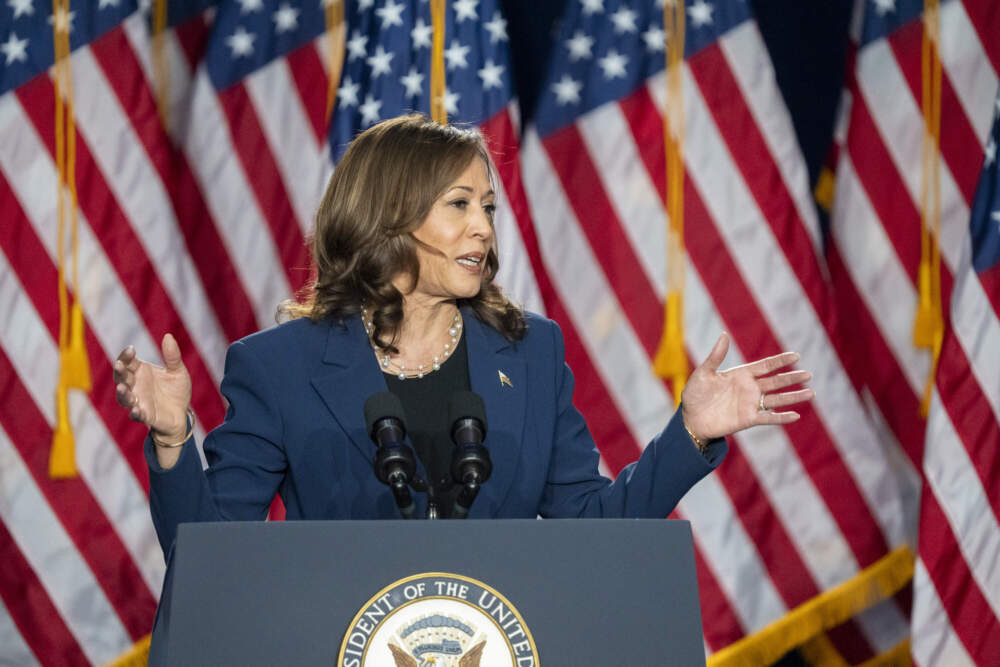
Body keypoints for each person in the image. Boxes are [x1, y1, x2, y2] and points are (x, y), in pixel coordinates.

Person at [114, 115, 813, 557]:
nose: (483, 225)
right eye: (458, 205)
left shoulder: (532, 352)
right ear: (389, 216)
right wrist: (175, 441)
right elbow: (206, 556)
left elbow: (589, 524)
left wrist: (688, 435)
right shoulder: (279, 366)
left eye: (487, 206)